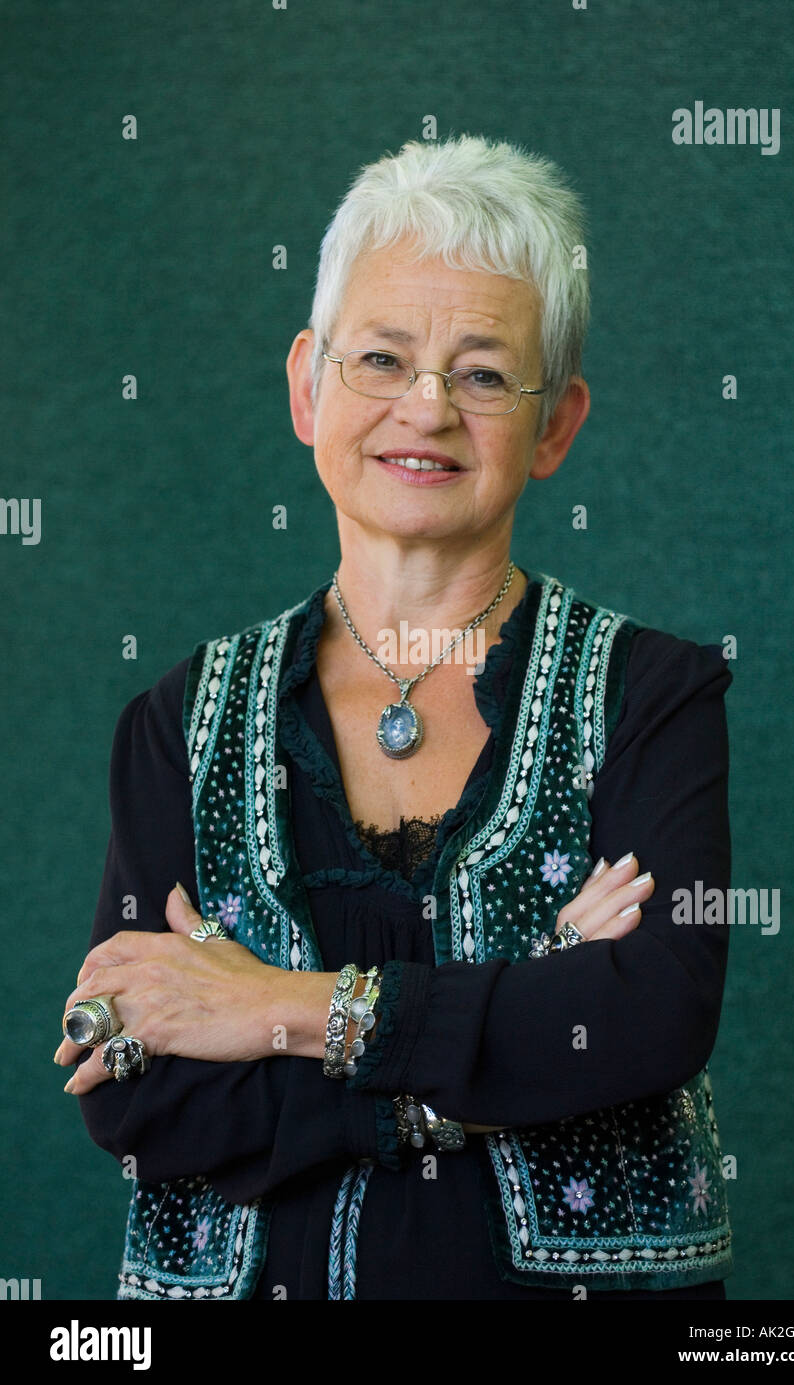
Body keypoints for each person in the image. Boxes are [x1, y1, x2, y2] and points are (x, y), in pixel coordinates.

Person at [56, 134, 734, 1301]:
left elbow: (647, 1022)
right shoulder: (174, 723)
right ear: (308, 386)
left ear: (555, 424)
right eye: (381, 358)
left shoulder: (651, 696)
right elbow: (135, 1089)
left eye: (481, 374)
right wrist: (507, 1026)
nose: (425, 407)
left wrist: (269, 1008)